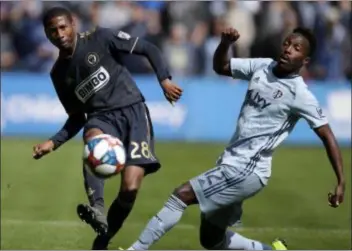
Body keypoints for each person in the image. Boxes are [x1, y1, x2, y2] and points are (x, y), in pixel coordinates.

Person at [126, 27, 345, 250]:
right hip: (233, 162)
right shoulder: (264, 66)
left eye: (296, 48)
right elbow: (220, 67)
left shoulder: (300, 94)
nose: (288, 50)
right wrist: (225, 44)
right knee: (211, 239)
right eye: (287, 43)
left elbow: (326, 134)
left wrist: (341, 181)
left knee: (181, 195)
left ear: (305, 60)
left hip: (247, 169)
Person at [32, 6, 183, 250]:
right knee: (92, 139)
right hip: (101, 118)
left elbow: (148, 48)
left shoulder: (100, 38)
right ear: (47, 34)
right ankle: (97, 209)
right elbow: (77, 118)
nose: (59, 34)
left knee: (130, 188)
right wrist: (53, 142)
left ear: (73, 24)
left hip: (134, 112)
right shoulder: (58, 73)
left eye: (63, 27)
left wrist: (164, 80)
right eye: (52, 31)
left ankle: (102, 240)